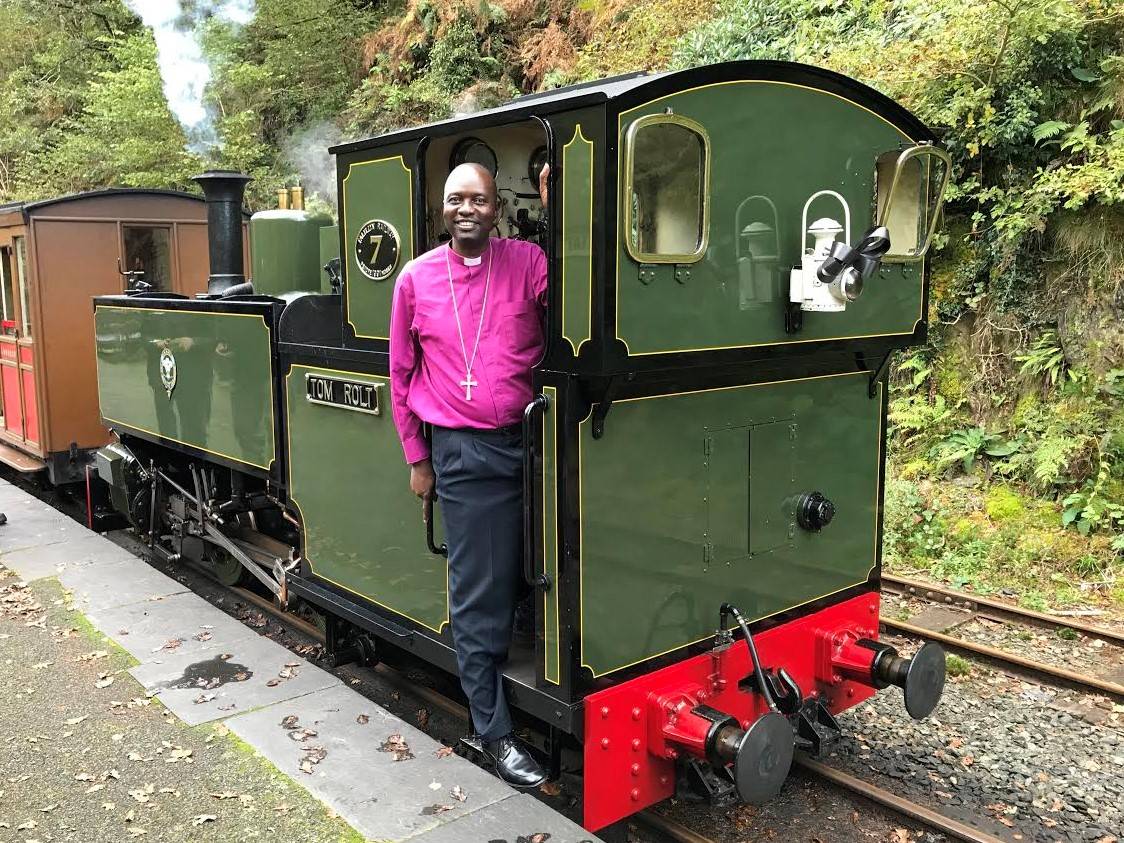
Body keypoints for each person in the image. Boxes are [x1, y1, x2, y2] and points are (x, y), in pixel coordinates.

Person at [389, 161, 550, 789]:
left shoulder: (530, 264)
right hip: (465, 453)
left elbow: (576, 298)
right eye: (456, 199)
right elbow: (401, 375)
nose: (467, 209)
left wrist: (557, 207)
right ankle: (493, 731)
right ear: (442, 209)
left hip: (537, 446)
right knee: (479, 592)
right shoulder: (415, 279)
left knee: (532, 572)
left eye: (478, 199)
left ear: (496, 207)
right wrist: (418, 458)